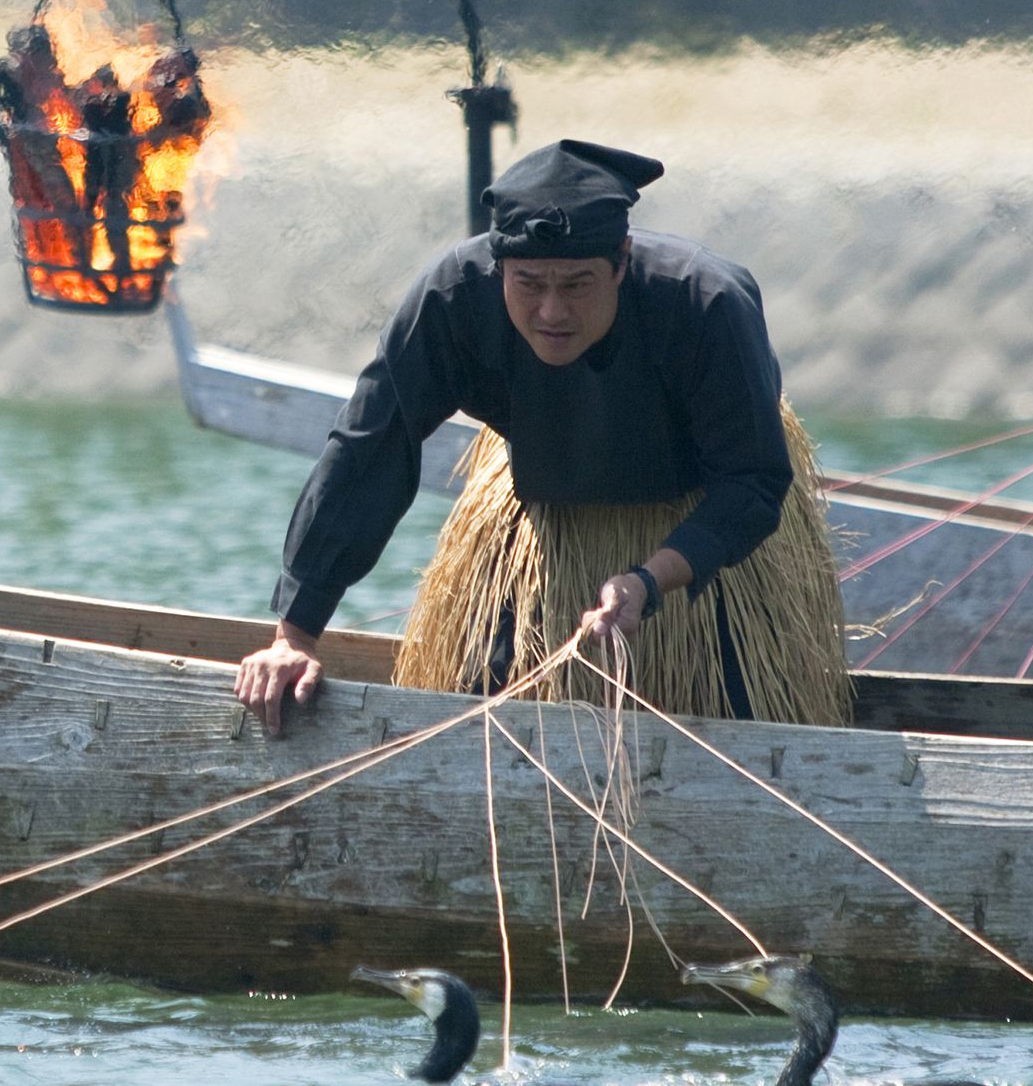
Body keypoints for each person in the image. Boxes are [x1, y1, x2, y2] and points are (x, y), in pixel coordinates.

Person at [233, 139, 852, 733]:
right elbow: (368, 450)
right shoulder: (452, 298)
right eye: (528, 284)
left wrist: (648, 581)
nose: (552, 312)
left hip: (702, 542)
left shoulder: (705, 301)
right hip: (543, 518)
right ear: (497, 266)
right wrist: (294, 638)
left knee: (740, 723)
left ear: (622, 262)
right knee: (480, 701)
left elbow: (753, 480)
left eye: (576, 285)